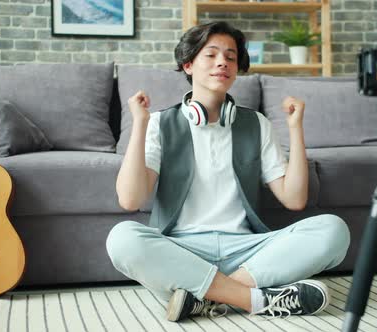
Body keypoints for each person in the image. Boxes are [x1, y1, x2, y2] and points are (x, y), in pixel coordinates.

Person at [106, 21, 350, 322]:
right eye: (211, 55)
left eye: (231, 57)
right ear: (188, 64)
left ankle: (202, 297)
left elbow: (294, 199)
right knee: (122, 239)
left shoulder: (255, 124)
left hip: (247, 249)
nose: (223, 61)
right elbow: (130, 200)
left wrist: (295, 129)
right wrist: (140, 124)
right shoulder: (160, 123)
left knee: (333, 230)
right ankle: (256, 298)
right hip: (182, 248)